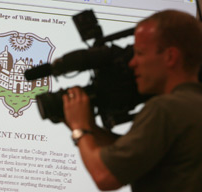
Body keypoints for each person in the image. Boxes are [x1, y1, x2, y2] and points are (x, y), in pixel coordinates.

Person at [62, 10, 202, 192]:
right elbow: (134, 156)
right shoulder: (193, 104)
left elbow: (104, 176)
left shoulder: (164, 109)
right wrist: (91, 127)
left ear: (170, 57)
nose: (132, 63)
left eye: (140, 53)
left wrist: (80, 129)